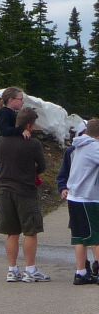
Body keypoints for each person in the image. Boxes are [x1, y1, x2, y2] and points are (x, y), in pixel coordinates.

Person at [0, 107, 48, 282]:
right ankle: (30, 270)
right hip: (25, 190)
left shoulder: (0, 141)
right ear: (29, 125)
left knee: (12, 232)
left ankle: (12, 269)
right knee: (30, 231)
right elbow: (42, 166)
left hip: (4, 189)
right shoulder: (32, 144)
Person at [66, 119, 99, 285]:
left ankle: (81, 273)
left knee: (80, 237)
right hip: (88, 198)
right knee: (96, 237)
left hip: (74, 196)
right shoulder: (94, 147)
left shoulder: (78, 146)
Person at [0, 87, 29, 157]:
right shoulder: (5, 112)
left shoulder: (10, 112)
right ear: (11, 100)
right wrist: (21, 130)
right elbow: (4, 130)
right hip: (6, 150)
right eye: (20, 99)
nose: (22, 102)